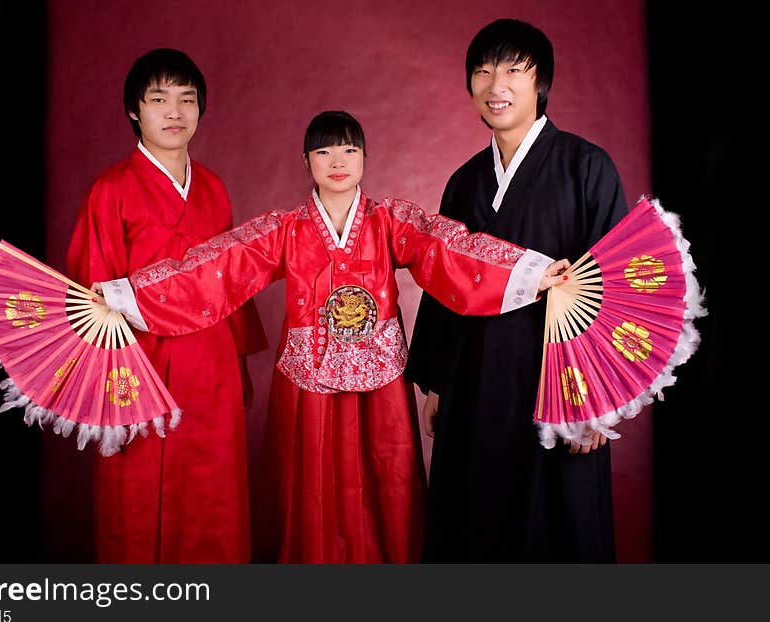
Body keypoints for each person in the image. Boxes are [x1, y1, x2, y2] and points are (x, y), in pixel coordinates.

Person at [98, 110, 569, 563]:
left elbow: (452, 248)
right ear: (306, 163)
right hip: (309, 385)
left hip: (379, 384)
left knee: (388, 475)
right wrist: (124, 295)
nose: (338, 162)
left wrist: (534, 271)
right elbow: (215, 265)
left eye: (349, 150)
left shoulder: (390, 222)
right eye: (324, 152)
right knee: (310, 484)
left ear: (365, 157)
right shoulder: (284, 230)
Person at [405, 18, 628, 563]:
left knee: (558, 524)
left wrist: (595, 400)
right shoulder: (464, 181)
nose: (495, 85)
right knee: (474, 523)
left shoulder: (586, 167)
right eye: (482, 72)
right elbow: (443, 282)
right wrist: (437, 382)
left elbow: (619, 284)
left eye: (512, 70)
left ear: (540, 83)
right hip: (476, 380)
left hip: (557, 384)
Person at [66, 48, 267, 563]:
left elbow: (232, 283)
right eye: (159, 99)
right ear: (135, 109)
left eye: (186, 99)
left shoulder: (214, 189)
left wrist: (240, 365)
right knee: (137, 498)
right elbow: (88, 293)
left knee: (213, 494)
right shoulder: (110, 191)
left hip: (213, 366)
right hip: (138, 366)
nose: (174, 111)